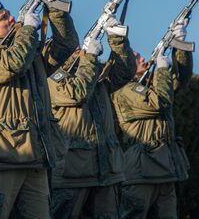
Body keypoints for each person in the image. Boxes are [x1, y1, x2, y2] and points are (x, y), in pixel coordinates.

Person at [0, 0, 77, 219]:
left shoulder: (29, 49)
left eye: (9, 14)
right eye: (3, 19)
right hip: (5, 155)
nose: (11, 19)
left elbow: (66, 46)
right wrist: (30, 28)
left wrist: (56, 10)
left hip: (35, 156)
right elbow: (11, 65)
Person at [48, 15, 137, 218]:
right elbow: (76, 93)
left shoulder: (93, 73)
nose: (79, 52)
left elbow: (125, 72)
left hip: (106, 172)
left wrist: (117, 39)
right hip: (73, 174)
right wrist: (88, 58)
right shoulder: (54, 78)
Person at [111, 20, 193, 219]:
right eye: (133, 55)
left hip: (165, 169)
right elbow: (159, 102)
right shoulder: (125, 89)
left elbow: (179, 79)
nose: (139, 56)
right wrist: (162, 69)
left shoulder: (148, 86)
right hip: (140, 172)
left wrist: (179, 46)